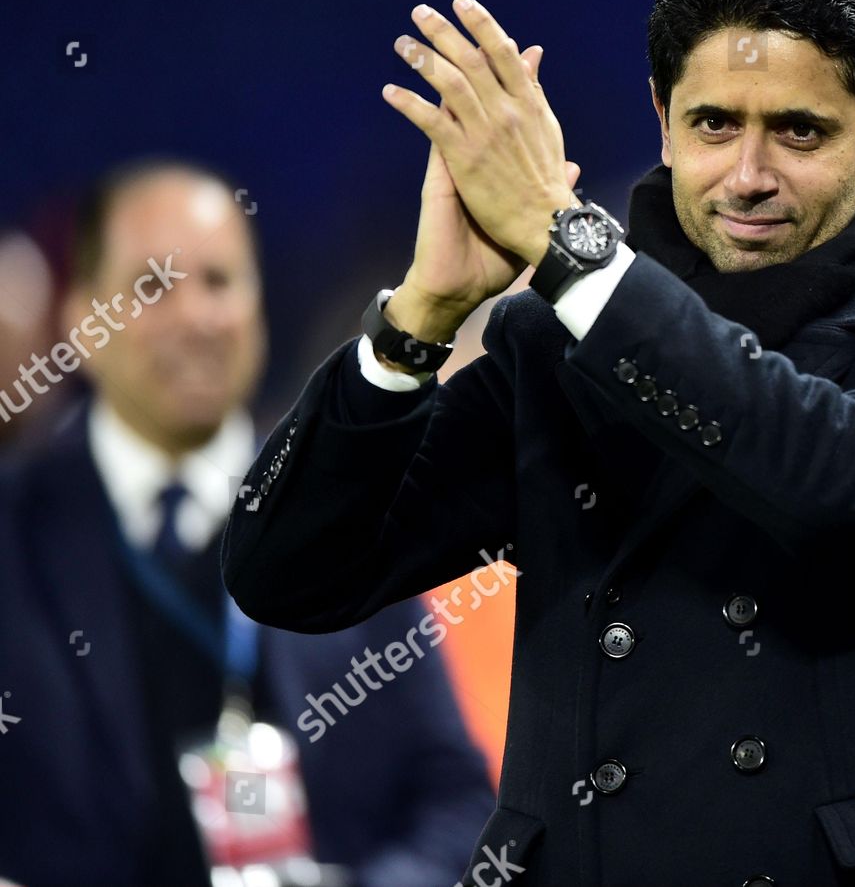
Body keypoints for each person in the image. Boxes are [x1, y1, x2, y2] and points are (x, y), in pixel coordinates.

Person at [221, 0, 855, 886]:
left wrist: (573, 250)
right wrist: (417, 319)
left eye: (799, 131)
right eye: (714, 123)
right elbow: (290, 573)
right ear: (662, 121)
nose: (749, 175)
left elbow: (837, 480)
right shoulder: (559, 353)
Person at [0, 159, 495, 887]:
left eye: (220, 281)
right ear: (80, 316)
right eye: (152, 287)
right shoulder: (12, 528)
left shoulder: (353, 507)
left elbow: (458, 801)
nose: (197, 317)